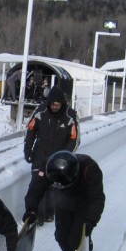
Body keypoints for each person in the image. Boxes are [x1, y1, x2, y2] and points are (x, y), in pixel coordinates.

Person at [22, 84, 79, 225]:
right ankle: (33, 213)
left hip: (58, 160)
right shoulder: (40, 111)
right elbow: (30, 130)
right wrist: (27, 149)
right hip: (40, 155)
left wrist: (65, 156)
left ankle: (49, 213)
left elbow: (74, 139)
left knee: (53, 188)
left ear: (62, 104)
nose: (54, 107)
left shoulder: (70, 116)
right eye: (52, 104)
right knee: (36, 185)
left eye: (57, 104)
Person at [45, 150, 105, 251]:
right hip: (63, 199)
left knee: (76, 239)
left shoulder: (90, 168)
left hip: (83, 202)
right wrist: (31, 208)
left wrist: (90, 222)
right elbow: (38, 188)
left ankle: (86, 244)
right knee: (60, 236)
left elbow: (97, 198)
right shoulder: (51, 167)